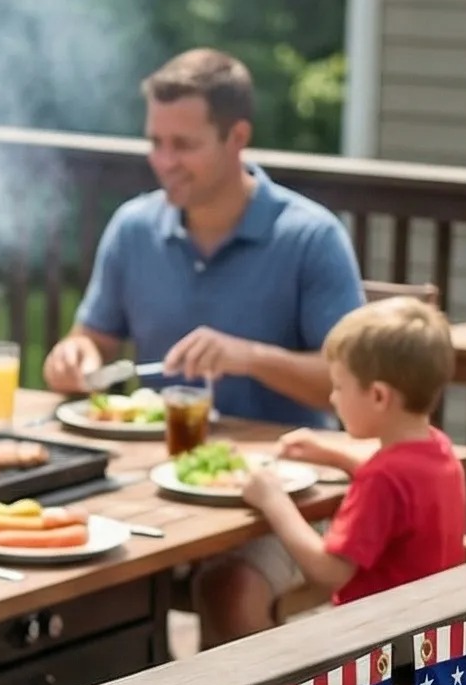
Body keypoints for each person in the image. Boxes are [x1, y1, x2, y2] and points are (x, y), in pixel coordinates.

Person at [42, 49, 364, 425]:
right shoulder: (133, 228)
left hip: (283, 471)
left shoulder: (312, 237)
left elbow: (353, 384)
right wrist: (75, 356)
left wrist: (250, 358)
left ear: (237, 137)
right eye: (156, 142)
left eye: (183, 145)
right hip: (157, 464)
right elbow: (92, 339)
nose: (164, 161)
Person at [217, 298, 466, 638]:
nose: (332, 398)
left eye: (339, 386)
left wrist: (274, 501)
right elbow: (404, 485)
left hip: (373, 648)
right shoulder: (439, 449)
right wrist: (331, 455)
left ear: (379, 396)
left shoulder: (381, 478)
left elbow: (329, 571)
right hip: (427, 633)